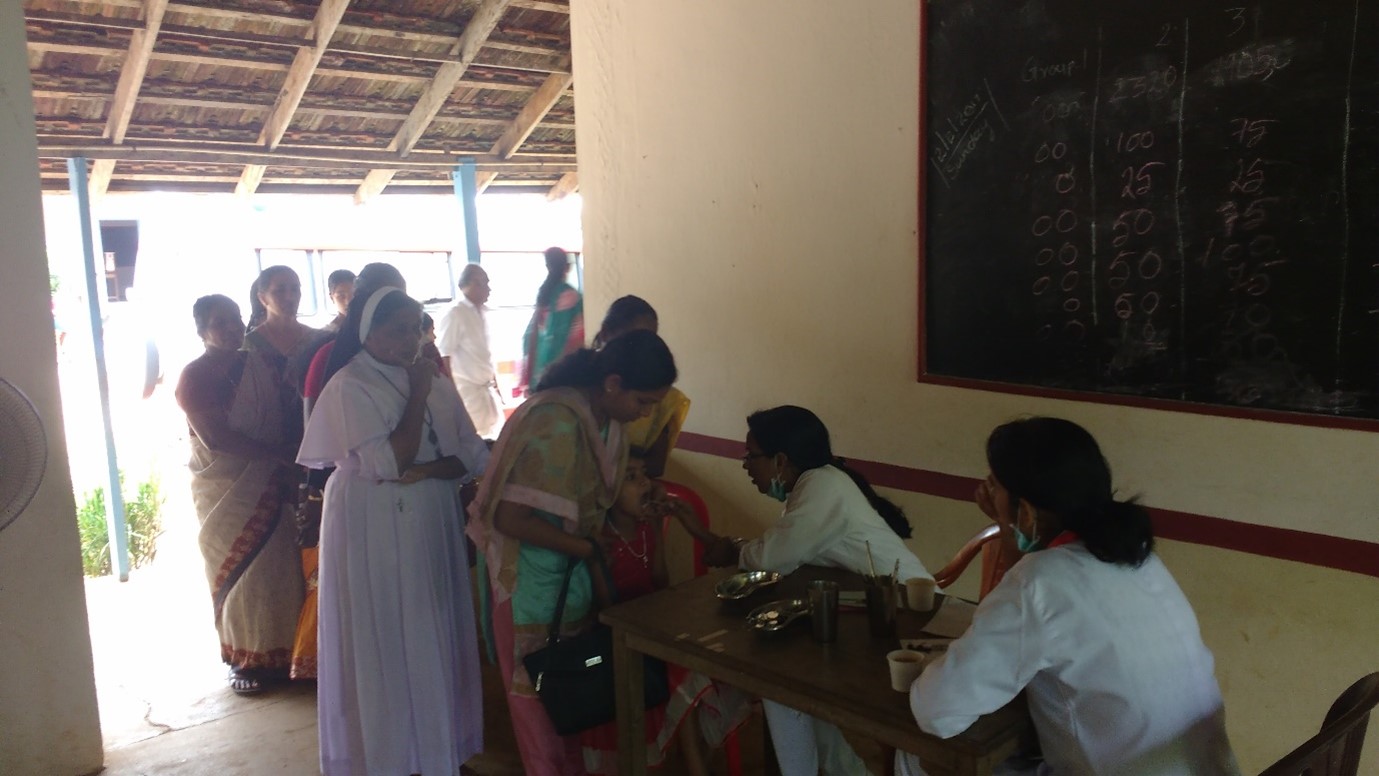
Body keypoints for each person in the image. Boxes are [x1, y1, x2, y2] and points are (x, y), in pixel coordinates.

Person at [898, 417, 1240, 776]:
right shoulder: (1137, 558)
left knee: (914, 757)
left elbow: (937, 711)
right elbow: (1034, 581)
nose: (986, 495)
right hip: (1195, 766)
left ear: (1026, 511)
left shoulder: (1040, 583)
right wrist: (1006, 518)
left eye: (995, 488)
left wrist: (929, 673)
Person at [466, 329, 678, 776]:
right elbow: (510, 518)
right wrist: (582, 545)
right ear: (613, 383)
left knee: (576, 701)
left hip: (572, 579)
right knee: (539, 711)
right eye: (643, 402)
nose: (647, 414)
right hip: (526, 583)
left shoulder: (606, 425)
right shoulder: (555, 419)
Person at [297, 286, 491, 776]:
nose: (410, 339)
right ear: (367, 331)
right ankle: (387, 756)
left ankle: (435, 748)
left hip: (430, 516)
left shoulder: (433, 377)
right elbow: (388, 460)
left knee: (430, 625)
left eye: (416, 327)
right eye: (397, 329)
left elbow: (471, 453)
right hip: (373, 522)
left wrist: (430, 470)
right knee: (385, 629)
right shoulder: (351, 384)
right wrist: (420, 393)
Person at [700, 405, 932, 776]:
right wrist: (741, 548)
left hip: (903, 618)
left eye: (750, 455)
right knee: (793, 681)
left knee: (781, 681)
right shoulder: (817, 483)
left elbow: (773, 558)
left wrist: (734, 550)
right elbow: (785, 550)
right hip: (870, 613)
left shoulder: (822, 487)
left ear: (780, 459)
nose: (745, 464)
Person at [579, 452, 752, 776]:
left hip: (653, 628)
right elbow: (607, 610)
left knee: (712, 661)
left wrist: (657, 528)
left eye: (645, 474)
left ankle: (700, 760)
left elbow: (660, 583)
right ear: (608, 493)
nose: (645, 482)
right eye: (631, 477)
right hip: (619, 639)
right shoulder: (601, 544)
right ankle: (696, 767)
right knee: (682, 669)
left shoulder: (647, 530)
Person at [174, 294, 304, 695]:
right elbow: (215, 438)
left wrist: (293, 457)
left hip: (275, 480)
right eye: (218, 323)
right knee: (239, 573)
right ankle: (243, 658)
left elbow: (293, 409)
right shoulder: (194, 377)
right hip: (226, 488)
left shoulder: (263, 365)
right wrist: (279, 457)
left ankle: (290, 654)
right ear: (201, 331)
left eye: (234, 321)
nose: (230, 329)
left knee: (279, 570)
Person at [592, 295, 690, 477]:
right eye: (632, 340)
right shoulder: (581, 397)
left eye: (648, 340)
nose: (642, 348)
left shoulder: (656, 398)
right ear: (605, 334)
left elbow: (655, 467)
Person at [438, 264, 504, 439]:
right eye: (485, 283)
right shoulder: (455, 313)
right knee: (475, 444)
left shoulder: (483, 312)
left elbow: (484, 354)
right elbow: (445, 357)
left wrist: (496, 385)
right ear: (474, 283)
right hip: (467, 393)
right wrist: (453, 397)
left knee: (495, 440)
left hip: (486, 390)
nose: (489, 289)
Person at [518, 246, 584, 395]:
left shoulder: (543, 296)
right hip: (563, 376)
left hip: (540, 377)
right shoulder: (572, 297)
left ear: (547, 266)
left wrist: (528, 379)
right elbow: (577, 340)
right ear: (567, 267)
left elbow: (530, 338)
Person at [323, 269, 356, 333]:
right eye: (341, 296)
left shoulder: (370, 329)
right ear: (331, 298)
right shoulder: (327, 333)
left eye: (354, 295)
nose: (348, 302)